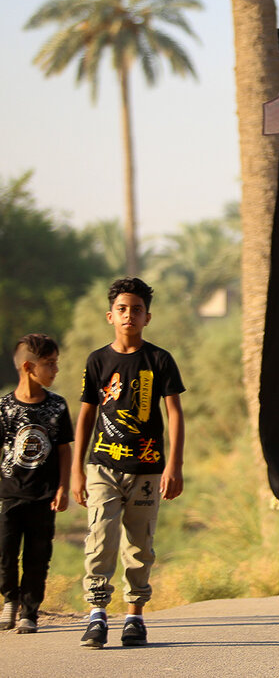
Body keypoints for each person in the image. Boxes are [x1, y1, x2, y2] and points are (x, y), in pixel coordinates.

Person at [72, 277, 186, 648]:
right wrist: (76, 469)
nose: (129, 315)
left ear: (147, 317)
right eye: (122, 309)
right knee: (101, 537)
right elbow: (86, 416)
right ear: (110, 315)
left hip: (148, 468)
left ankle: (134, 616)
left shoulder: (159, 359)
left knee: (140, 544)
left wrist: (174, 466)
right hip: (102, 464)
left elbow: (174, 414)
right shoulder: (97, 361)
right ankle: (97, 615)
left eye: (137, 309)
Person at [1, 335, 72, 635]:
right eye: (50, 364)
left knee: (38, 556)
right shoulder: (4, 407)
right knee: (4, 552)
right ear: (29, 367)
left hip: (44, 495)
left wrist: (64, 487)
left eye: (56, 363)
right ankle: (9, 600)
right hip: (8, 494)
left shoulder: (56, 406)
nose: (56, 369)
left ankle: (29, 612)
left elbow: (64, 449)